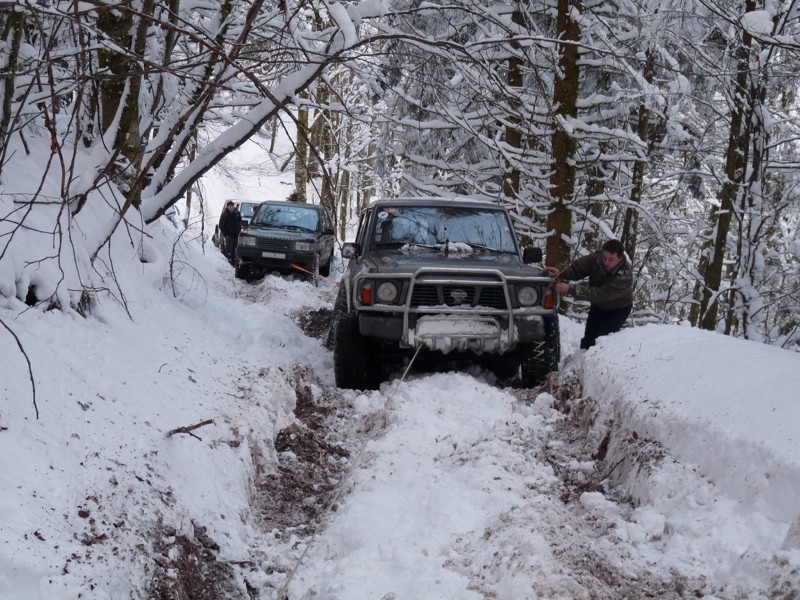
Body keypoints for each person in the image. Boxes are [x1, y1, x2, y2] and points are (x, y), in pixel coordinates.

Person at [543, 239, 633, 350]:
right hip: (598, 306)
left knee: (603, 339)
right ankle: (581, 359)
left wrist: (571, 289)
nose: (606, 262)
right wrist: (560, 270)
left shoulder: (625, 277)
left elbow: (600, 294)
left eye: (611, 260)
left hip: (618, 309)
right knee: (589, 338)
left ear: (620, 259)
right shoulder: (595, 259)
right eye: (604, 258)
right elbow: (577, 268)